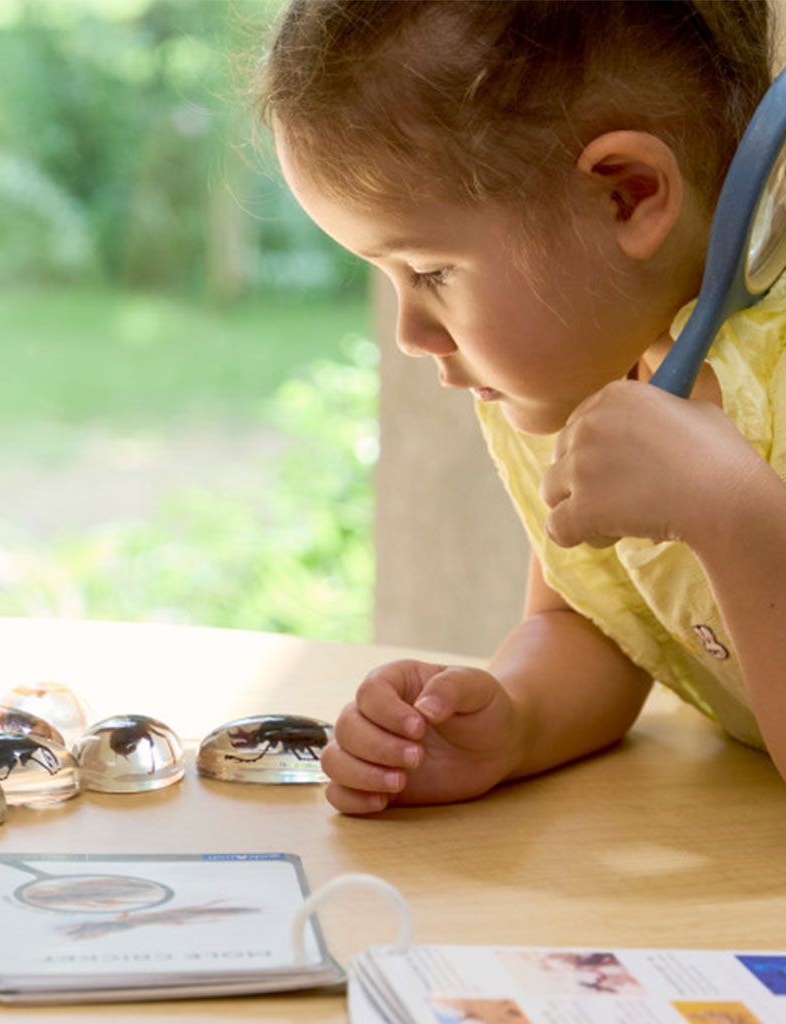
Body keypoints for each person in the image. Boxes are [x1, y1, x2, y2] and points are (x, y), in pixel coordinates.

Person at [258, 0, 786, 813]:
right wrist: (513, 719)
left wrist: (733, 512)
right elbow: (596, 619)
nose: (409, 332)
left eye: (430, 271)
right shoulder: (587, 374)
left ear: (627, 195)